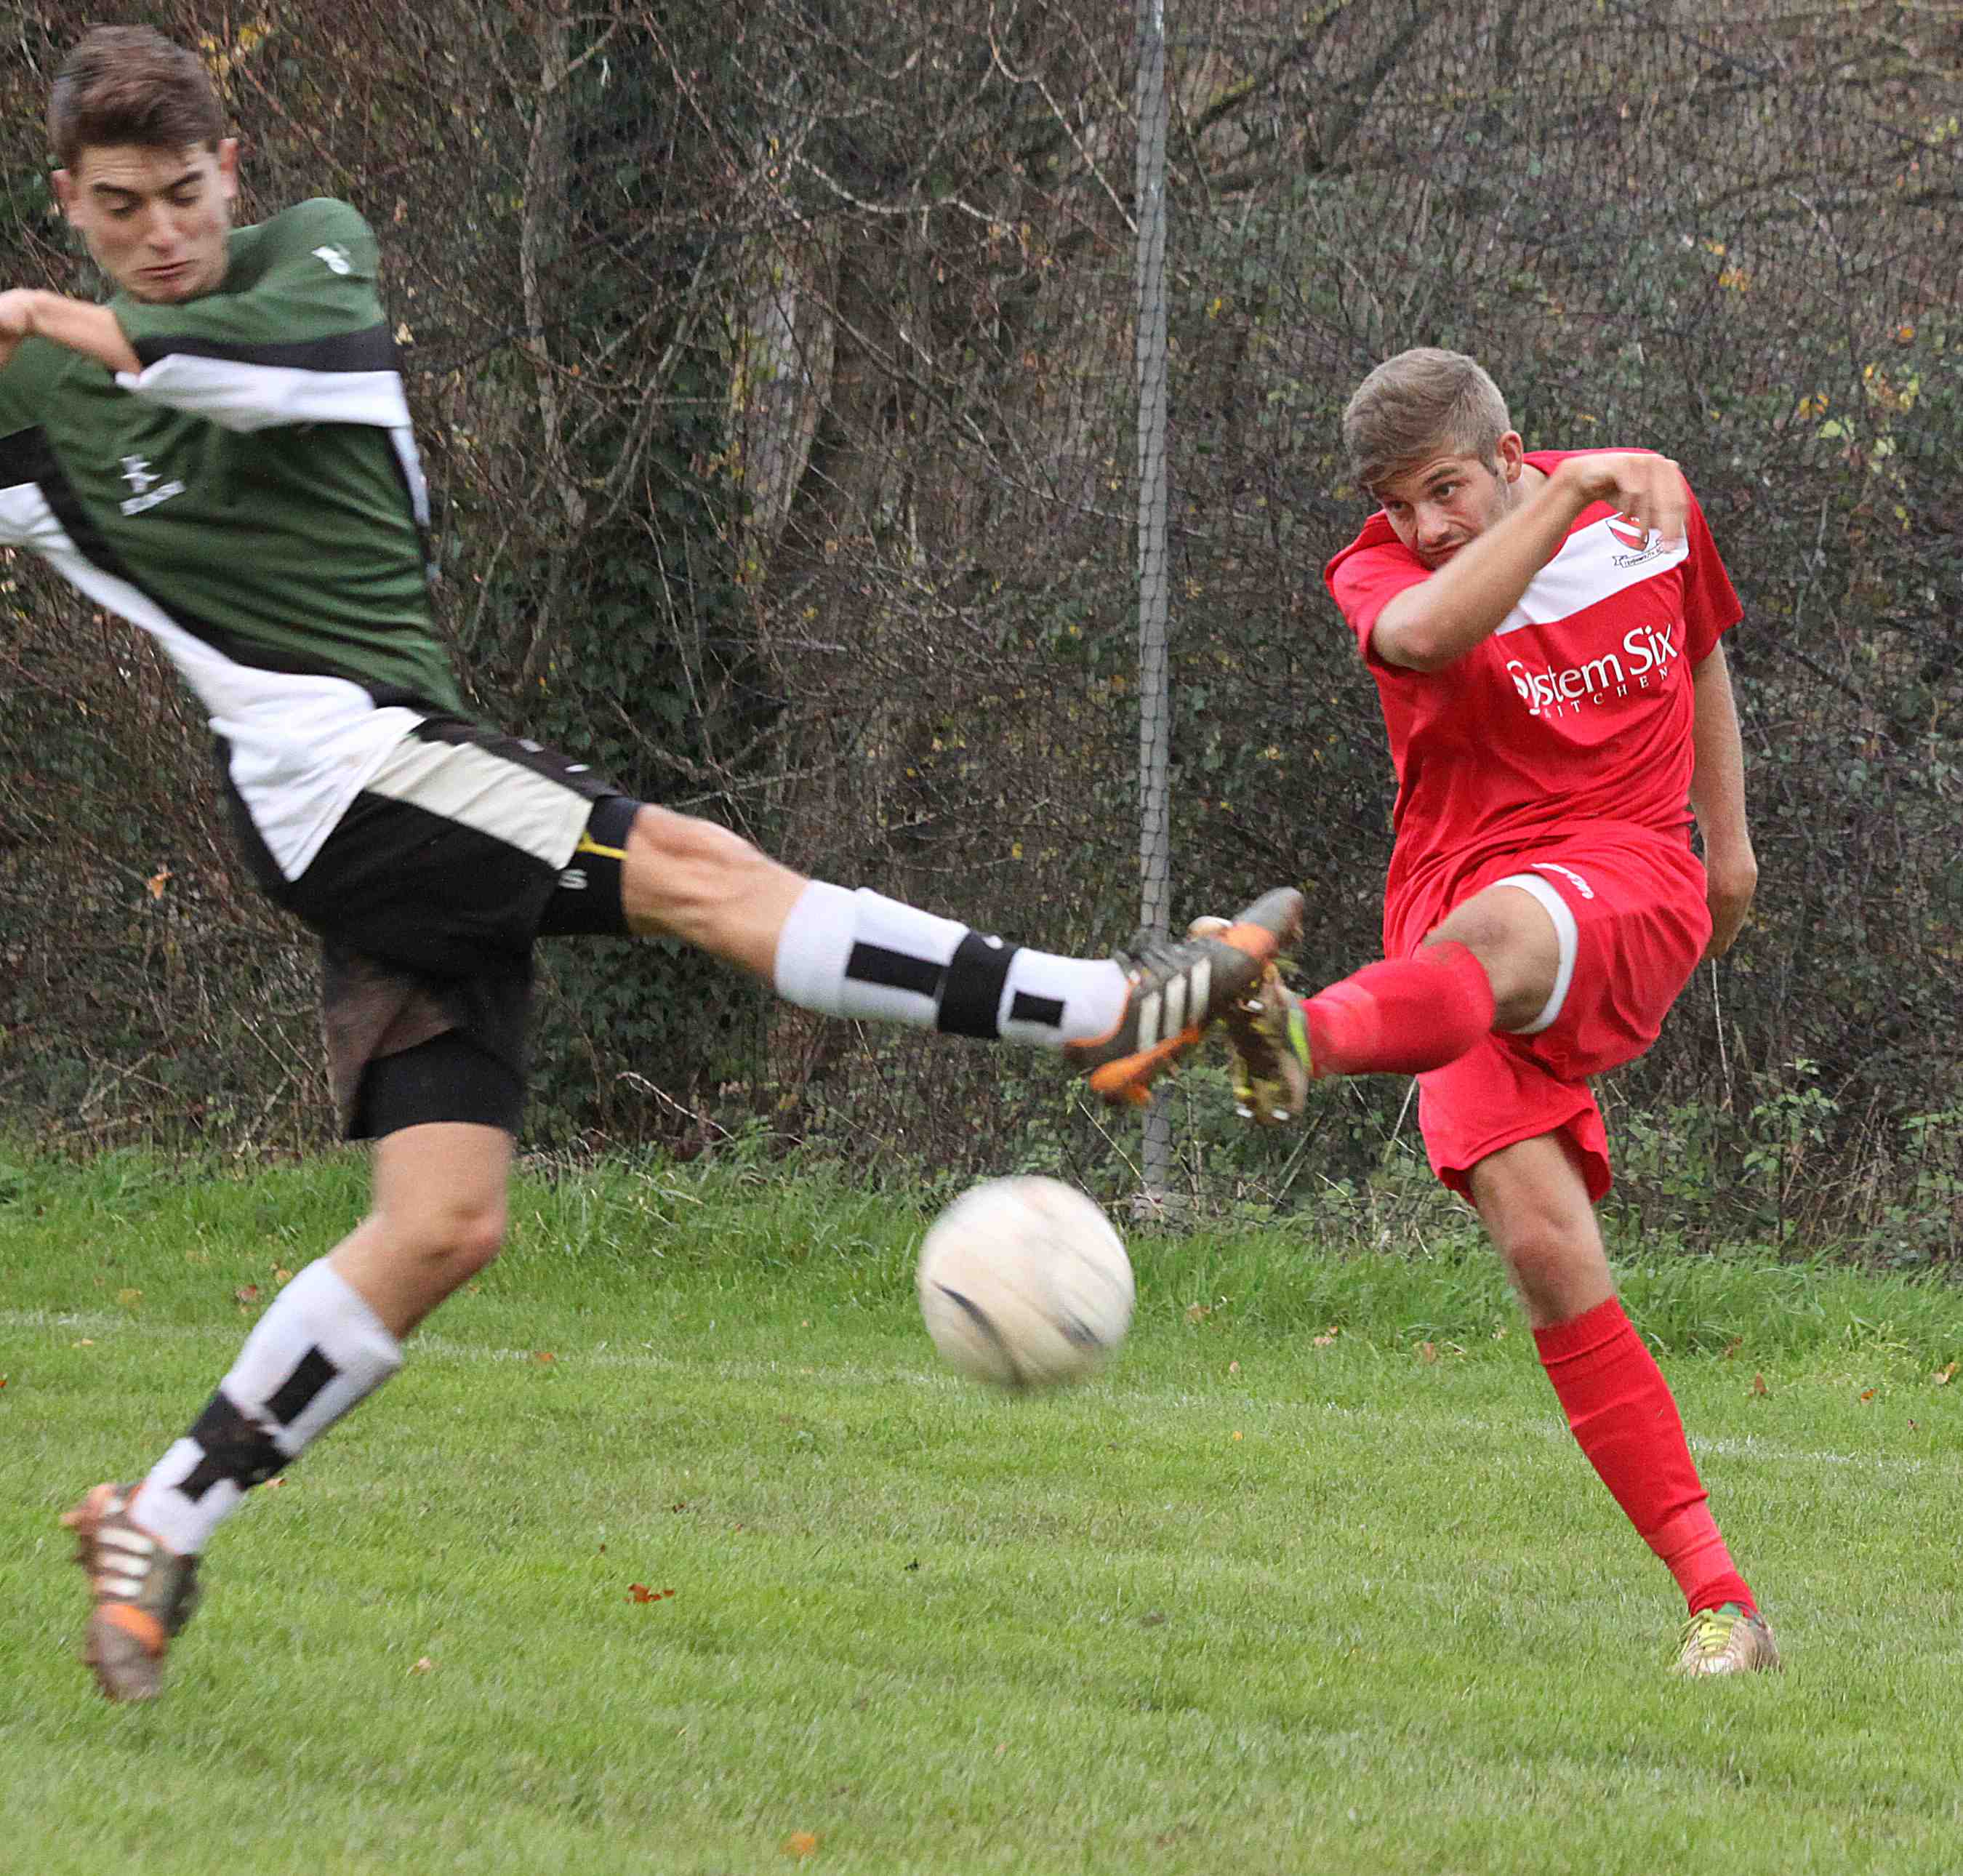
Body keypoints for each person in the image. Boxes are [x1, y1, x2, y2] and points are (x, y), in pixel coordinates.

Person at [8, 26, 1301, 1702]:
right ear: (69, 200)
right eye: (118, 210)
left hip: (385, 776)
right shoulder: (41, 390)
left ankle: (162, 1517)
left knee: (444, 1221)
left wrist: (65, 317)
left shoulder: (309, 257)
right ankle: (1107, 1009)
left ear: (232, 174)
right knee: (696, 866)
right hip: (347, 779)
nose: (161, 231)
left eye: (184, 193)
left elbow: (244, 366)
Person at [1203, 346, 1777, 1675]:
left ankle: (1289, 1041)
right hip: (1448, 924)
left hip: (1625, 869)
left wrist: (1730, 851)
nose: (1422, 526)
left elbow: (1697, 655)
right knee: (1543, 1251)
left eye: (1446, 490)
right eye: (1397, 502)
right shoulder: (1400, 569)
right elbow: (1422, 635)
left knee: (1512, 929)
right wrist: (1555, 503)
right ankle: (1723, 1605)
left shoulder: (1640, 506)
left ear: (1505, 449)